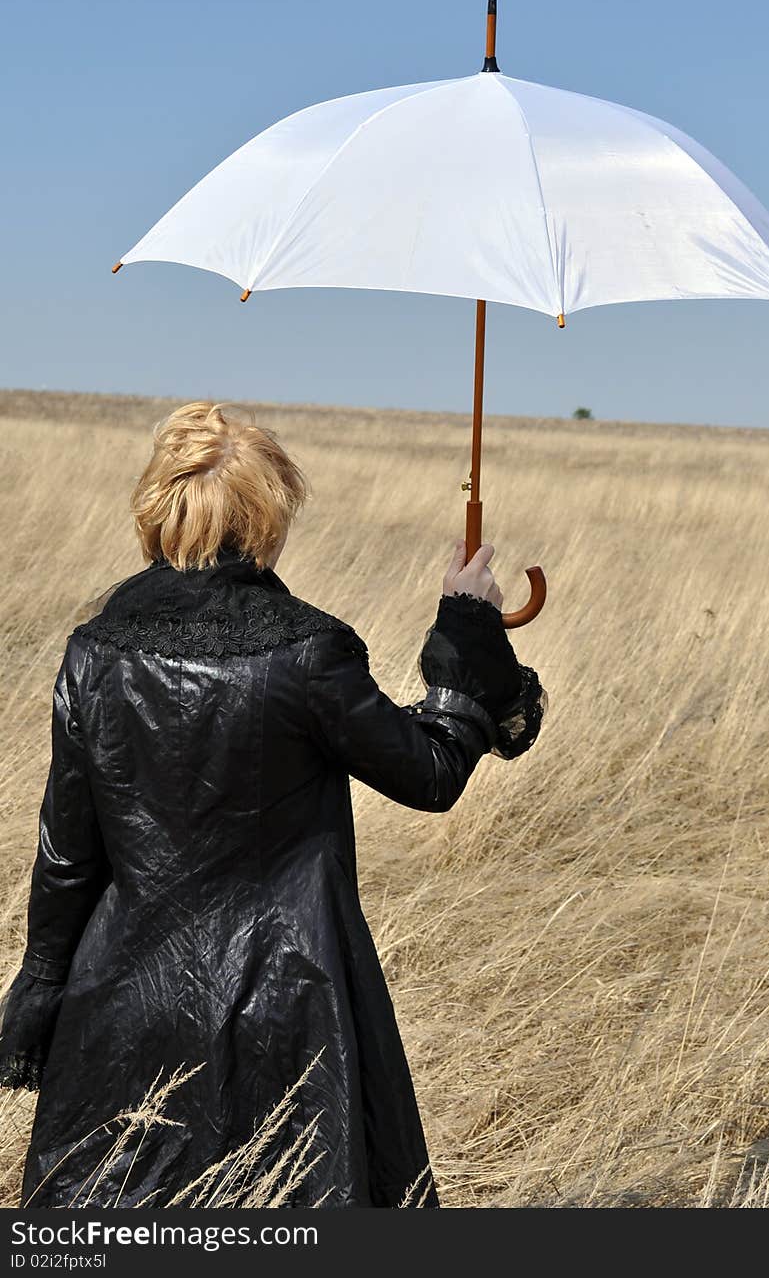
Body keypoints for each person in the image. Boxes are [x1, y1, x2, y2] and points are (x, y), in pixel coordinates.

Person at [0, 401, 546, 1209]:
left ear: (159, 510)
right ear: (266, 517)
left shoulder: (95, 650)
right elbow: (430, 772)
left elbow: (66, 852)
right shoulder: (309, 650)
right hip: (289, 1006)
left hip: (125, 998)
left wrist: (43, 983)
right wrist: (465, 627)